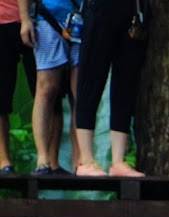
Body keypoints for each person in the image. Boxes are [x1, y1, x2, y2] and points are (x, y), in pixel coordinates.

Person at [73, 0, 147, 177]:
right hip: (99, 10)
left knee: (125, 84)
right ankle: (86, 160)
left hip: (132, 11)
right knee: (90, 82)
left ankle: (118, 161)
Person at [17, 0, 80, 175]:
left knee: (79, 92)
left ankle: (80, 160)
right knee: (46, 88)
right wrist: (25, 19)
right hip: (47, 17)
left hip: (81, 18)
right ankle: (43, 158)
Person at [1, 0, 35, 173]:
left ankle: (49, 161)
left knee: (47, 92)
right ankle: (4, 161)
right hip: (3, 21)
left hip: (36, 18)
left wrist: (25, 17)